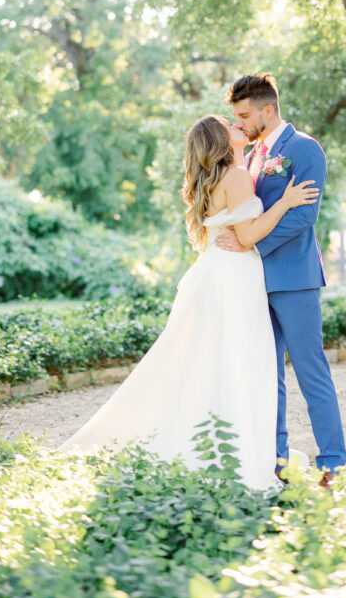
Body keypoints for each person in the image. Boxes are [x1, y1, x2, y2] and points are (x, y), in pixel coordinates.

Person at [57, 113, 318, 491]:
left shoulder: (214, 178)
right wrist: (287, 202)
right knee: (242, 365)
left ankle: (220, 447)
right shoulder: (238, 175)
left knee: (210, 366)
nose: (237, 126)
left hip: (212, 275)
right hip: (235, 279)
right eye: (229, 124)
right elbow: (248, 236)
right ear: (220, 139)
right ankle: (242, 456)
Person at [216, 73, 346, 486]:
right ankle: (277, 460)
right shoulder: (251, 157)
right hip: (253, 282)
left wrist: (253, 246)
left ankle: (333, 463)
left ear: (268, 109)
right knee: (266, 373)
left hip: (293, 278)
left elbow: (305, 215)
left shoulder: (305, 149)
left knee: (311, 371)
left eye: (244, 115)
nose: (238, 123)